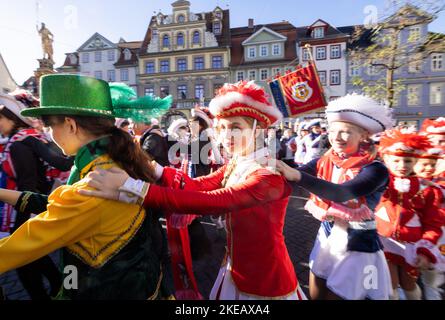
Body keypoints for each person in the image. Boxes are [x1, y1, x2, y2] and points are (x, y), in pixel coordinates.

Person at [80, 81, 306, 300]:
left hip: (266, 277)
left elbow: (210, 201)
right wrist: (151, 167)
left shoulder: (268, 176)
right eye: (222, 128)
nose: (227, 137)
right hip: (235, 266)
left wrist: (132, 188)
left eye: (236, 128)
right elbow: (197, 185)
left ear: (257, 131)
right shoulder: (237, 163)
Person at [0, 74, 174, 300]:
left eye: (50, 125)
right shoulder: (113, 161)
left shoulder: (94, 182)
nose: (50, 134)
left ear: (70, 125)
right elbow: (58, 205)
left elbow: (22, 244)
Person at [275, 94, 394, 300]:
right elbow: (298, 174)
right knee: (316, 289)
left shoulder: (376, 169)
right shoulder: (327, 159)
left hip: (357, 244)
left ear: (364, 135)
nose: (336, 137)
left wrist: (296, 174)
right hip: (327, 233)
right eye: (332, 131)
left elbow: (342, 192)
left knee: (339, 295)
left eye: (345, 132)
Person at [0, 90, 73, 300]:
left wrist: (22, 222)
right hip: (34, 203)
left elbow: (28, 182)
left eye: (0, 118)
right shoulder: (29, 137)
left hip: (28, 206)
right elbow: (60, 162)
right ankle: (58, 286)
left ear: (12, 117)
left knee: (25, 263)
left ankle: (51, 291)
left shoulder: (19, 144)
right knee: (35, 256)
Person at [376, 129, 444, 300]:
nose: (402, 165)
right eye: (396, 160)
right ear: (386, 159)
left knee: (409, 285)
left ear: (415, 161)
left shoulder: (427, 189)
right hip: (383, 242)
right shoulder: (378, 181)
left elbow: (433, 224)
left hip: (412, 247)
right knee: (389, 286)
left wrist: (424, 250)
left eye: (408, 160)